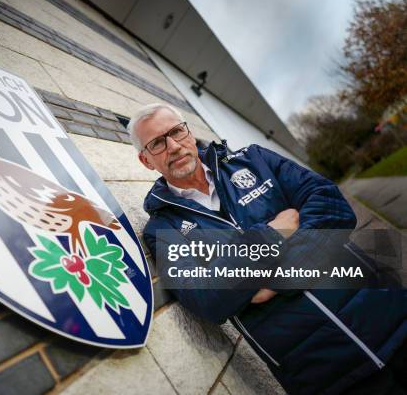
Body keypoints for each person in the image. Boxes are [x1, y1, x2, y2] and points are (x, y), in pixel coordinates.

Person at [128, 103, 407, 394]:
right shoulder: (162, 230)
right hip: (324, 373)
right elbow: (208, 297)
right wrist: (274, 232)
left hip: (389, 312)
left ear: (188, 131)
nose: (173, 146)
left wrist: (277, 277)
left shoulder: (254, 160)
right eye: (157, 143)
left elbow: (330, 204)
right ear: (146, 160)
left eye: (176, 132)